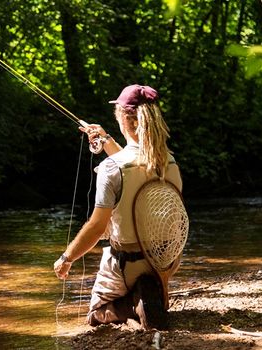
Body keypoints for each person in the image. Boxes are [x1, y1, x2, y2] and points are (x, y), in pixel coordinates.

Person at [53, 84, 183, 329]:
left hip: (128, 264)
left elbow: (96, 227)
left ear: (123, 118)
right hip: (165, 261)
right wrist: (107, 141)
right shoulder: (169, 161)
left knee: (95, 314)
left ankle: (135, 304)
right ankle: (150, 291)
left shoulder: (111, 169)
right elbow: (135, 169)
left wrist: (66, 257)